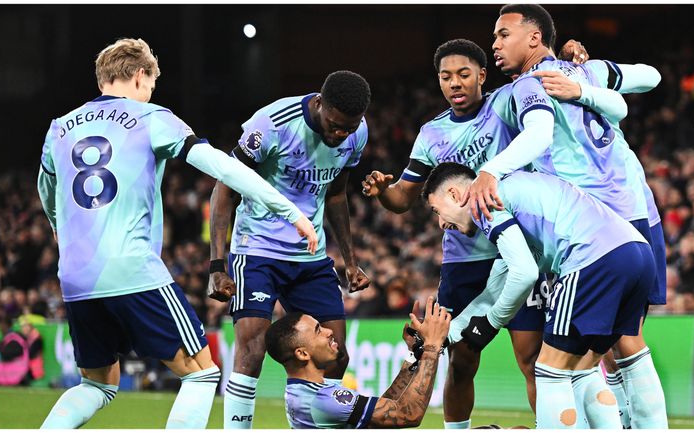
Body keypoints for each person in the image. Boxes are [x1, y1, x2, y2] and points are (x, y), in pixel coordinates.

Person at [36, 37, 317, 429]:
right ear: (139, 75)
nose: (151, 92)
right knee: (201, 373)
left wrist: (60, 233)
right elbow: (221, 166)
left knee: (97, 385)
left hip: (75, 275)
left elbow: (47, 195)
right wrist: (288, 211)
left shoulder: (58, 128)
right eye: (151, 84)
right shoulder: (151, 117)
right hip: (131, 267)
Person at [361, 38, 619, 427]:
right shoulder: (432, 134)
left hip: (517, 249)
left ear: (482, 75)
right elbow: (403, 198)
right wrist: (384, 192)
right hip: (464, 260)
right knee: (461, 360)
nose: (455, 83)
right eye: (446, 77)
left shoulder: (506, 102)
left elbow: (540, 80)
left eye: (464, 74)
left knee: (532, 358)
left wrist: (566, 57)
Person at [462, 4, 667, 428]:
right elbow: (651, 76)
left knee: (579, 357)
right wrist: (588, 79)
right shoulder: (585, 72)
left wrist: (489, 170)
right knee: (619, 344)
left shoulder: (527, 86)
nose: (494, 44)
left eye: (503, 35)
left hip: (597, 224)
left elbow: (538, 135)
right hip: (640, 212)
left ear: (534, 38)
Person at [423, 162, 655, 429]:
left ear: (454, 194)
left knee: (549, 371)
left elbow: (524, 274)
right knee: (584, 368)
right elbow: (495, 288)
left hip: (592, 257)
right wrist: (445, 336)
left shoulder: (483, 200)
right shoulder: (517, 198)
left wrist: (491, 323)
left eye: (436, 210)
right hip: (636, 251)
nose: (441, 223)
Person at [207, 70, 372, 428]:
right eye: (333, 124)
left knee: (335, 356)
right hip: (257, 251)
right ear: (319, 104)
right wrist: (217, 264)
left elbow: (338, 193)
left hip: (310, 257)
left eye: (348, 127)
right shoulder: (272, 124)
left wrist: (350, 261)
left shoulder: (357, 133)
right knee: (252, 349)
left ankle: (312, 425)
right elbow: (225, 189)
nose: (339, 134)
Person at [265, 296, 450, 428]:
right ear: (302, 353)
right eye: (318, 330)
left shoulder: (304, 391)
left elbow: (387, 407)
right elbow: (408, 415)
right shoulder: (324, 401)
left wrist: (414, 354)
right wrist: (432, 347)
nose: (328, 331)